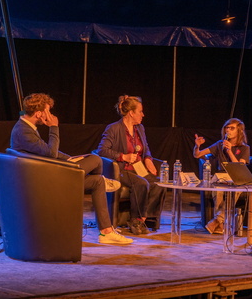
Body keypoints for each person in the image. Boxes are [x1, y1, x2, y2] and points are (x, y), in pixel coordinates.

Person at [10, 93, 133, 244]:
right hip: (46, 180)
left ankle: (106, 232)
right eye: (49, 111)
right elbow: (51, 152)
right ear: (39, 114)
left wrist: (69, 159)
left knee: (96, 181)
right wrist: (54, 127)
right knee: (96, 159)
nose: (52, 115)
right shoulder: (24, 131)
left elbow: (46, 151)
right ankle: (103, 180)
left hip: (47, 173)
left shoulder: (24, 125)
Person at [97, 95, 167, 235]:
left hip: (138, 168)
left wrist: (148, 158)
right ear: (131, 113)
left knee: (160, 184)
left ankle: (141, 219)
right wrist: (123, 156)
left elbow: (145, 148)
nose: (143, 115)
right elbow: (102, 150)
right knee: (141, 184)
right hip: (121, 170)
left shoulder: (139, 128)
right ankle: (135, 219)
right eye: (140, 111)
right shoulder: (114, 128)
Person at [193, 118, 250, 234]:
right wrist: (197, 146)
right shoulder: (219, 144)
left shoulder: (244, 148)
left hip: (236, 176)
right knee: (218, 190)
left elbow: (239, 167)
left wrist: (229, 151)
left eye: (231, 128)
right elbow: (197, 155)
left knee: (235, 190)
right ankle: (220, 224)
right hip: (220, 176)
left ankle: (216, 221)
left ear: (239, 131)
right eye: (226, 128)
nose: (228, 130)